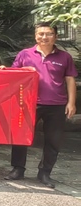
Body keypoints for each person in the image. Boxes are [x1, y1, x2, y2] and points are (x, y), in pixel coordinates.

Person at [6, 23, 77, 188]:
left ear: (56, 37)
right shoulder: (25, 54)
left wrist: (71, 102)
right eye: (41, 34)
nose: (44, 37)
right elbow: (13, 74)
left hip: (57, 104)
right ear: (35, 36)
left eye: (49, 34)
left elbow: (70, 79)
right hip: (28, 103)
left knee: (53, 140)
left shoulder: (65, 57)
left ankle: (45, 172)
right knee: (21, 137)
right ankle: (18, 169)